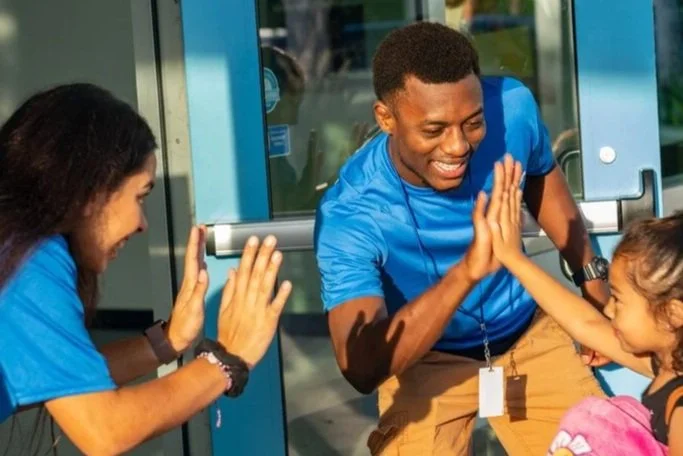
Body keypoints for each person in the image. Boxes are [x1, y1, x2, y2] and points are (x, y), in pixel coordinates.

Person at [314, 22, 609, 455]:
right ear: (386, 118)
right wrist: (468, 271)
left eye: (472, 123)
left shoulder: (511, 107)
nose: (457, 146)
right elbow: (361, 367)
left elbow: (541, 177)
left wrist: (595, 287)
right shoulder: (351, 213)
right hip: (424, 359)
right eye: (433, 130)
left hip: (527, 334)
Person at [0, 83, 291, 455]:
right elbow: (105, 430)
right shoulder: (30, 262)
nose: (142, 224)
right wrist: (228, 358)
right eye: (140, 196)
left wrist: (168, 341)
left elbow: (59, 379)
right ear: (93, 191)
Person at [486, 160, 683, 455]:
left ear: (672, 314)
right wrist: (513, 259)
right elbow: (586, 325)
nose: (609, 311)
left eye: (618, 300)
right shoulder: (666, 364)